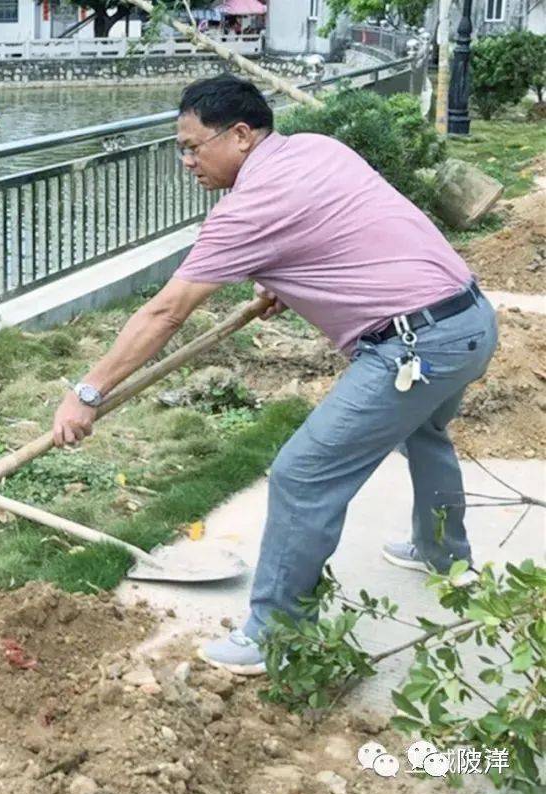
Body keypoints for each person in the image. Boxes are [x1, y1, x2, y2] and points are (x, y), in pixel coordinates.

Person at [51, 74, 497, 676]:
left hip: (415, 348)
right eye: (179, 148)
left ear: (239, 135)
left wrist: (88, 392)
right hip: (468, 318)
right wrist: (284, 271)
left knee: (302, 475)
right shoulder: (314, 147)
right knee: (426, 434)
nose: (186, 161)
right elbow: (347, 226)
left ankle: (275, 635)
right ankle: (443, 555)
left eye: (192, 146)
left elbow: (167, 310)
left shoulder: (249, 209)